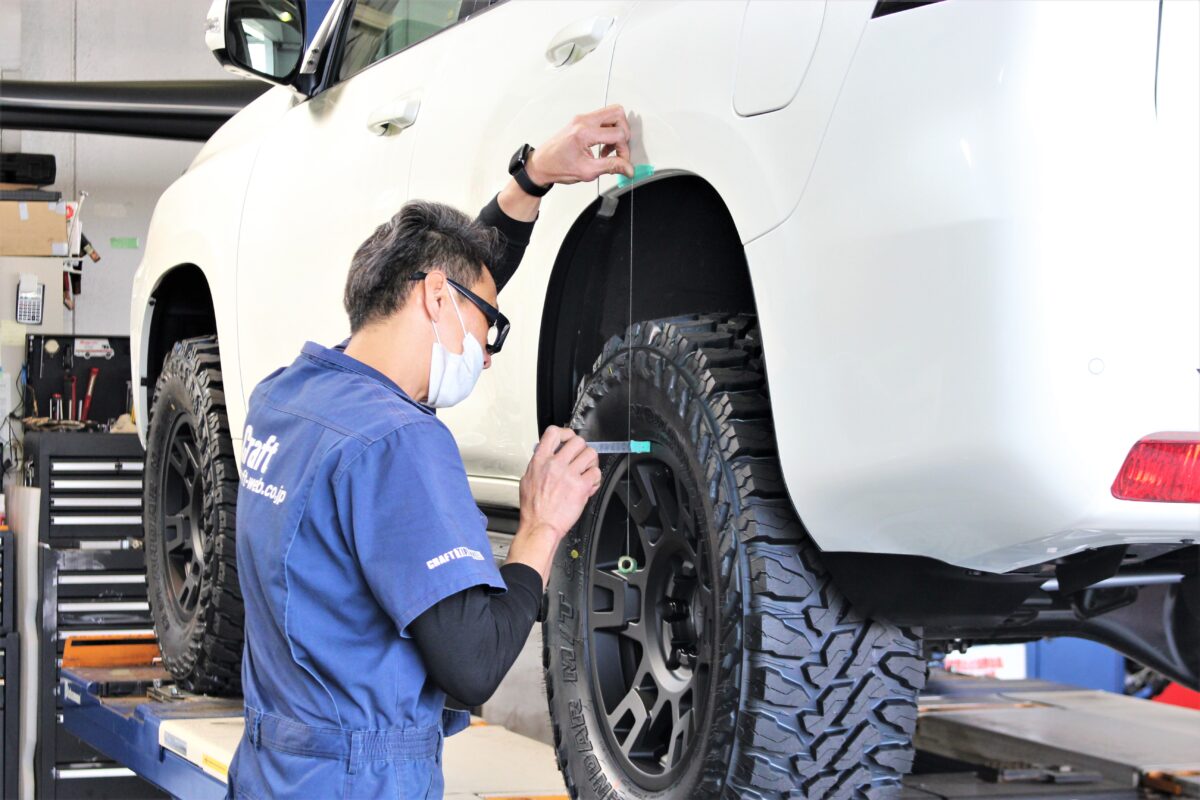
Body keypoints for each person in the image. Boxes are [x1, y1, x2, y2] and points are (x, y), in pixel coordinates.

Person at [226, 106, 635, 799]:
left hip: (275, 772)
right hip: (360, 784)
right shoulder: (400, 444)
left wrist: (531, 180)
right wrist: (540, 528)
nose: (487, 354)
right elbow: (473, 665)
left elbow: (464, 275)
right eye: (489, 327)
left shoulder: (288, 398)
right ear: (436, 297)